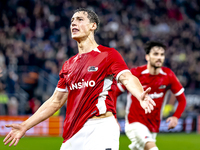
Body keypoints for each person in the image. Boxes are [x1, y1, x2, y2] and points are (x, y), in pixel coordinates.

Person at [3, 8, 155, 150]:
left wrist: (139, 93)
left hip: (101, 128)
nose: (74, 23)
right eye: (72, 21)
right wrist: (25, 126)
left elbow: (127, 77)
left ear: (93, 26)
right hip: (72, 133)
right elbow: (55, 101)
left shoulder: (108, 54)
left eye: (80, 19)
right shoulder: (68, 65)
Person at [117, 41, 187, 150]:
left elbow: (182, 99)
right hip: (134, 122)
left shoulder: (168, 75)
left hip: (153, 126)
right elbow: (114, 93)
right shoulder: (136, 73)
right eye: (155, 54)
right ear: (147, 57)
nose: (159, 57)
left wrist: (176, 116)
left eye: (162, 54)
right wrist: (112, 116)